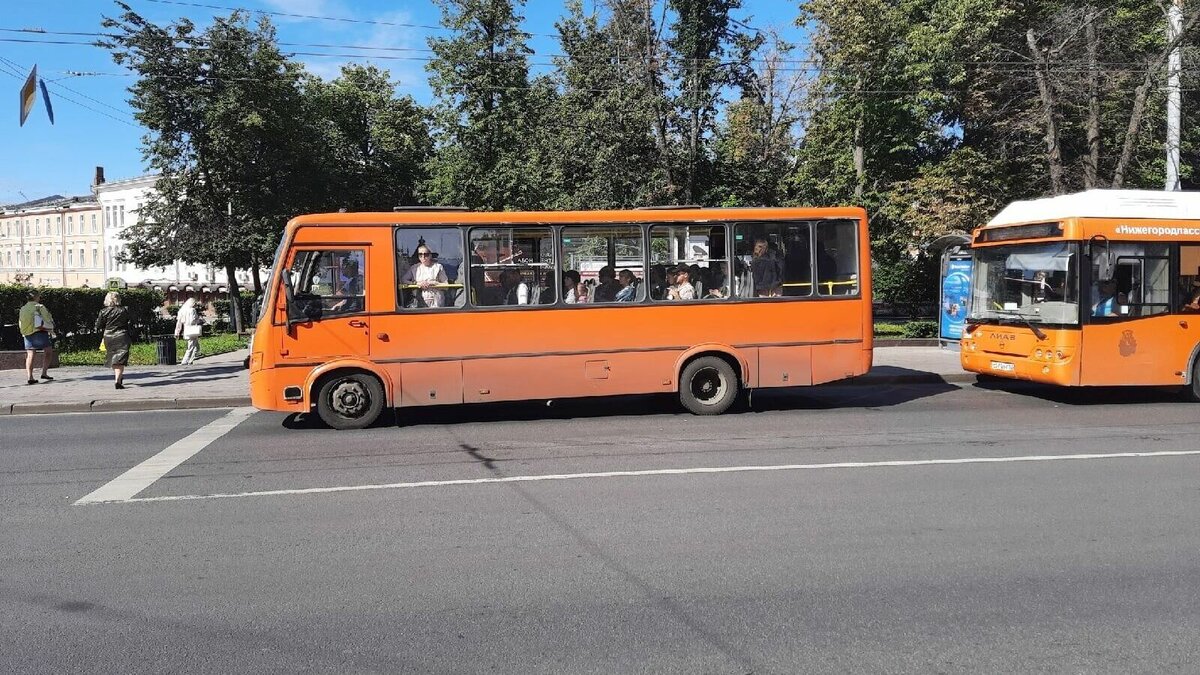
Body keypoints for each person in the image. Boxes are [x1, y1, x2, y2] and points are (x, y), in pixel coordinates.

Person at [95, 291, 132, 389]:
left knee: (113, 358)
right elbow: (131, 321)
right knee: (121, 359)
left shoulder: (103, 311)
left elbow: (98, 325)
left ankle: (118, 378)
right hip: (122, 336)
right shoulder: (125, 309)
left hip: (109, 336)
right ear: (118, 299)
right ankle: (118, 380)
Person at [18, 289, 56, 385]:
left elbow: (20, 322)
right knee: (48, 351)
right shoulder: (39, 307)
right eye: (39, 296)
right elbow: (47, 318)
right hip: (39, 331)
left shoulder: (23, 308)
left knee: (30, 355)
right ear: (35, 297)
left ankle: (30, 377)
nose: (40, 298)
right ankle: (44, 373)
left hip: (27, 333)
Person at [174, 296, 203, 365]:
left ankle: (191, 360)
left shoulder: (182, 310)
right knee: (191, 347)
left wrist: (177, 332)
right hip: (192, 330)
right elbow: (193, 320)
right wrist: (199, 320)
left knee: (196, 347)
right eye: (194, 304)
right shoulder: (192, 310)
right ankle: (185, 361)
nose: (195, 305)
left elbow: (179, 323)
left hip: (186, 330)